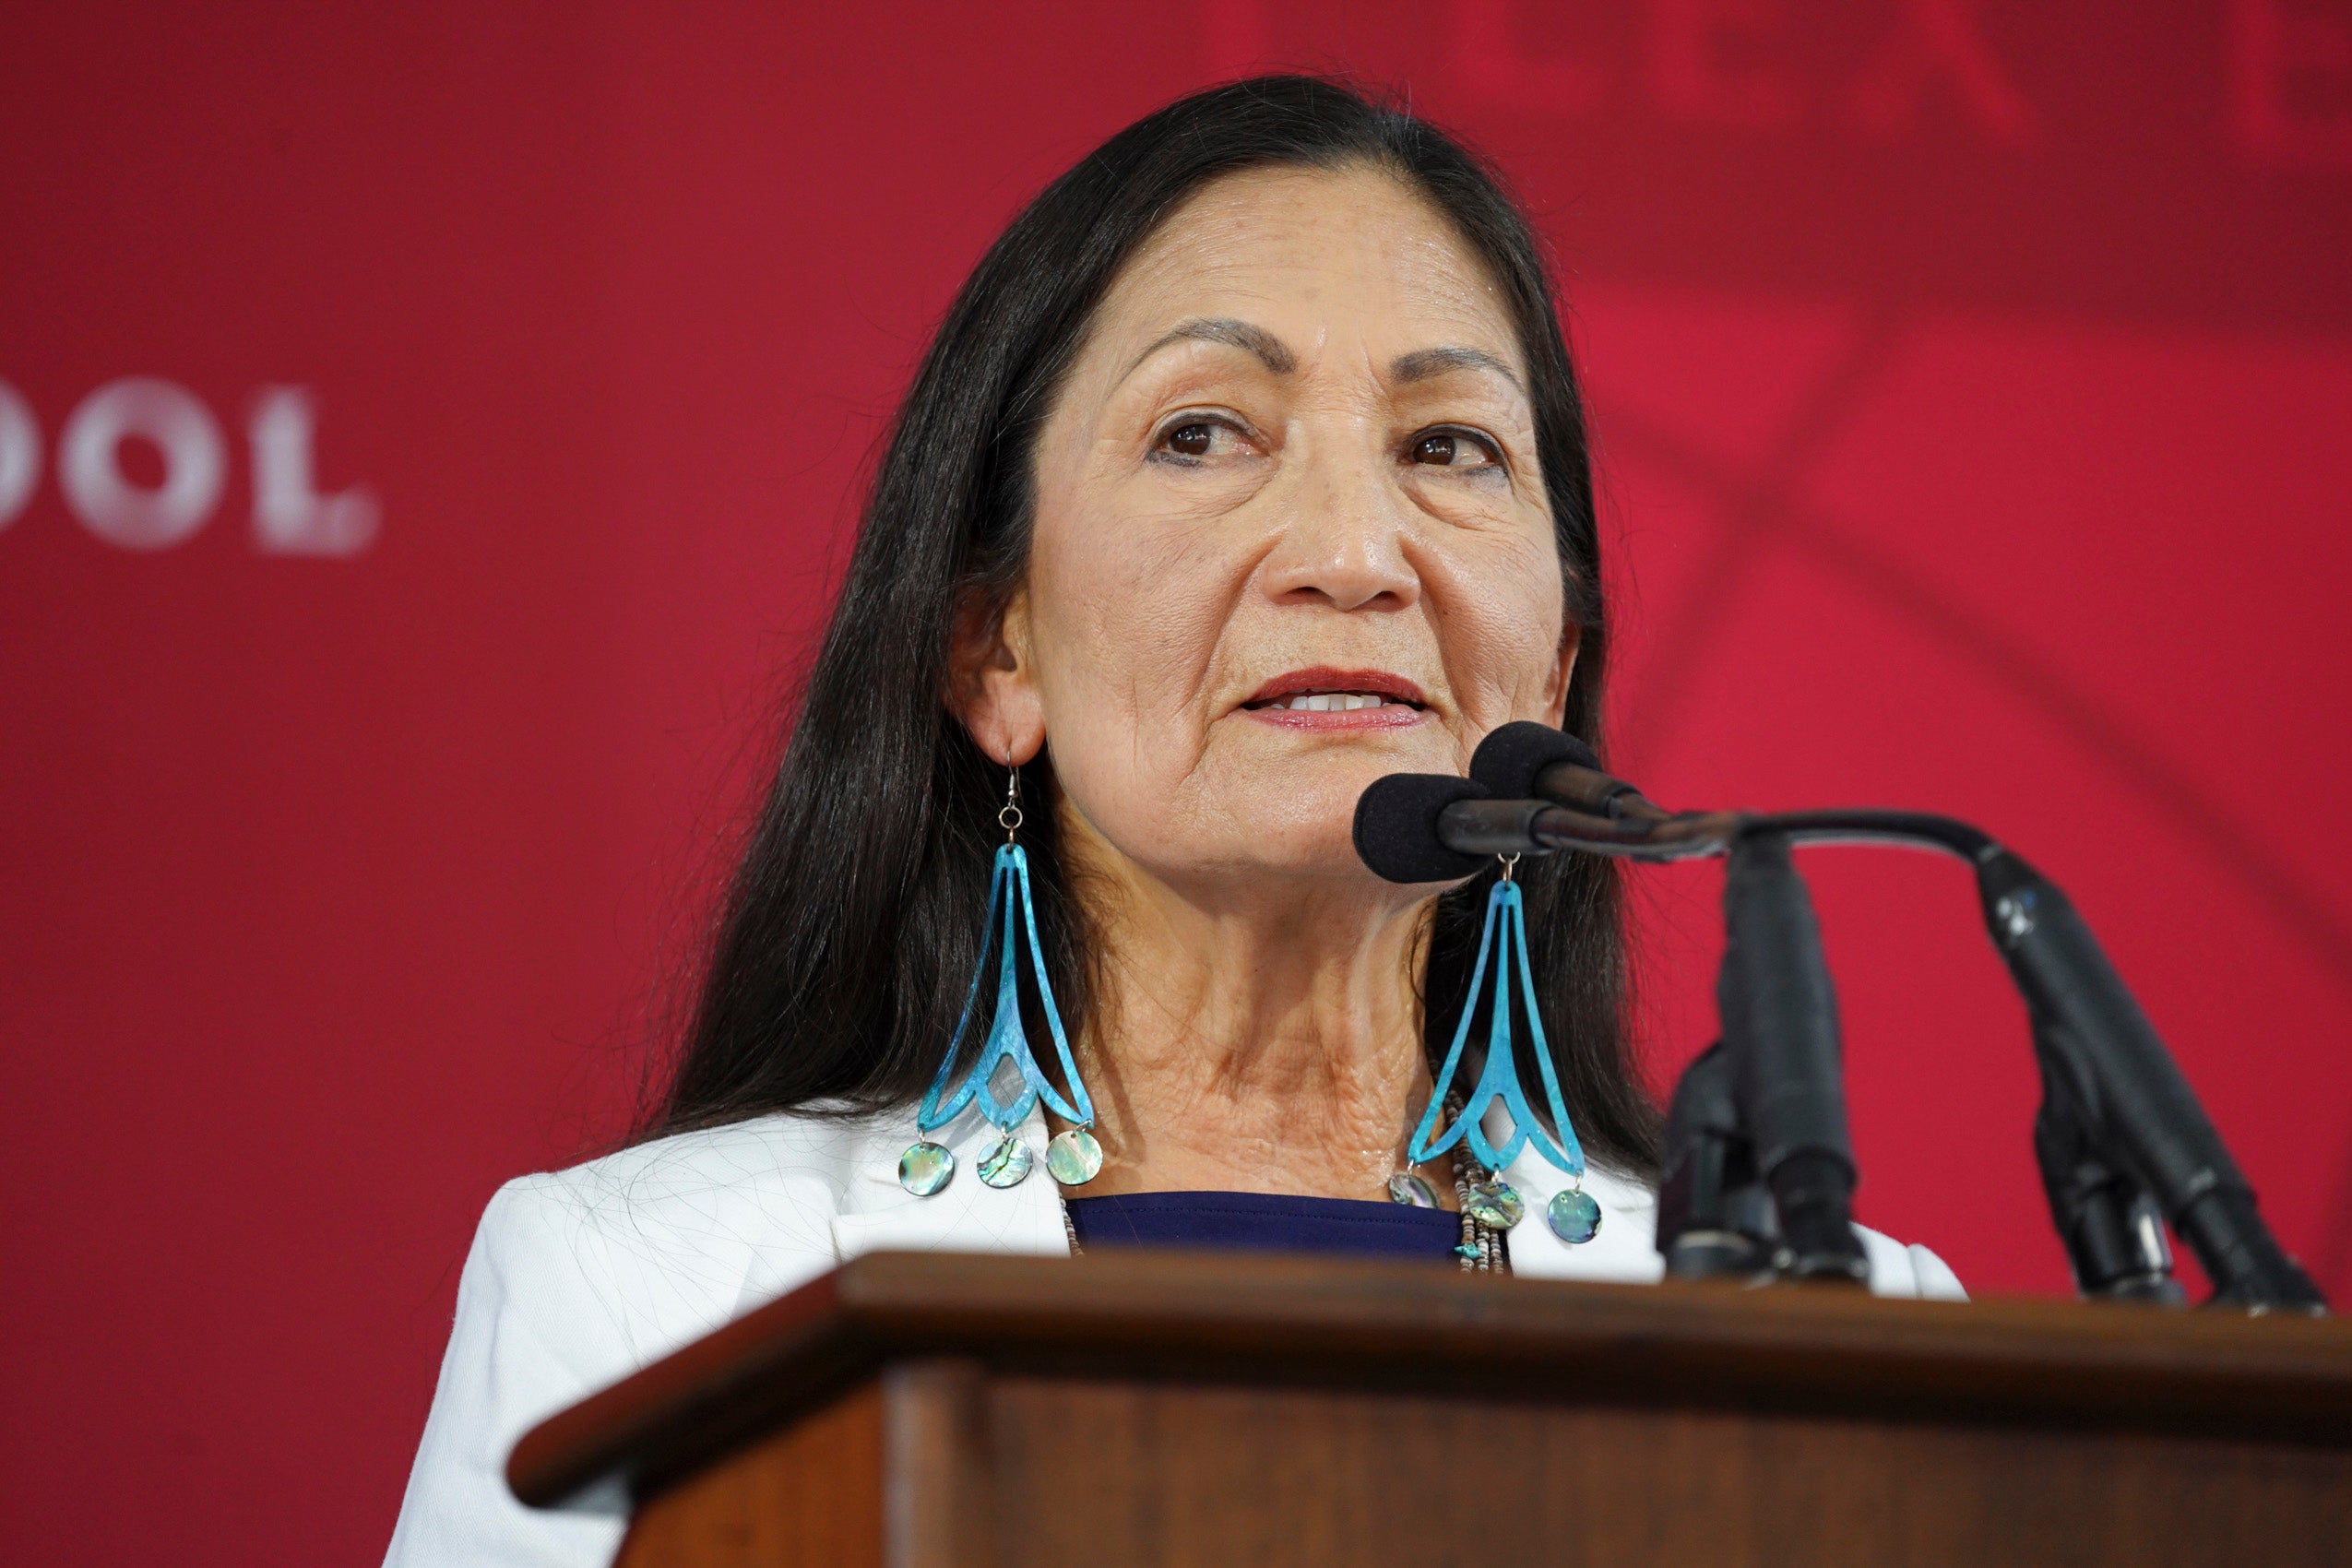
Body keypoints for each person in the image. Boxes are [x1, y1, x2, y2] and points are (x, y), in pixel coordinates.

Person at [384, 74, 1961, 1567]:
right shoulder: (652, 1293)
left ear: (1548, 664)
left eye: (1445, 448)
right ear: (994, 650)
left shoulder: (1860, 1334)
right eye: (1203, 432)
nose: (1353, 551)